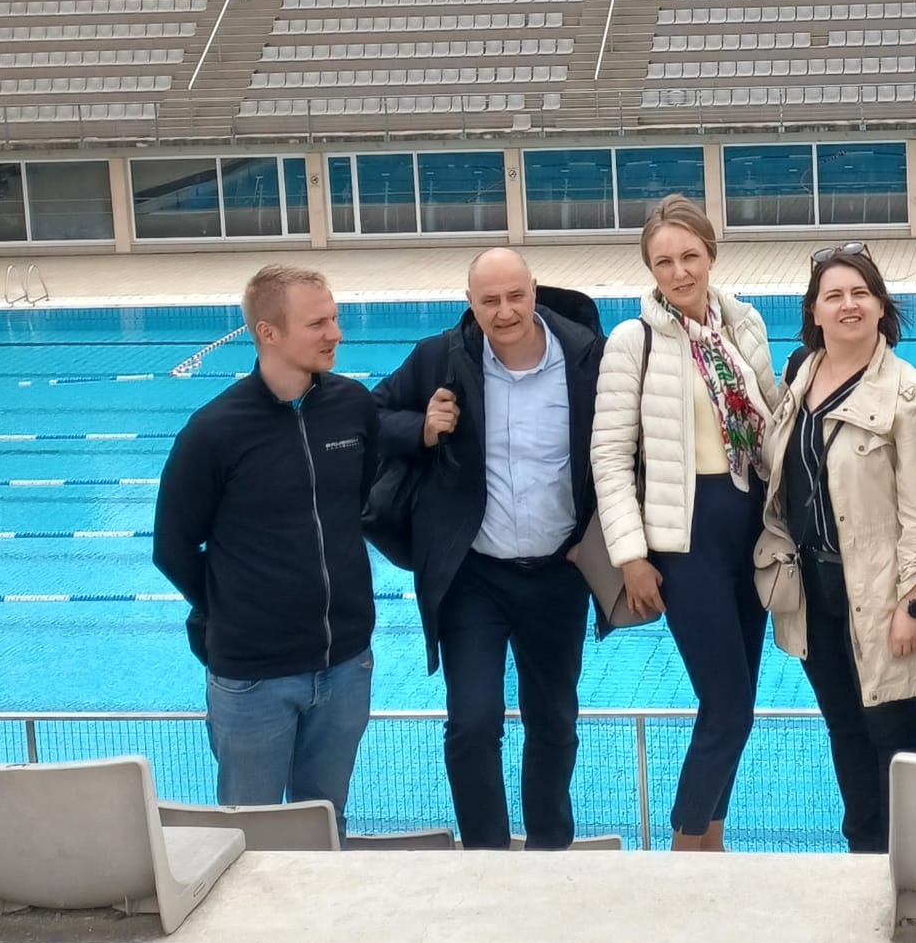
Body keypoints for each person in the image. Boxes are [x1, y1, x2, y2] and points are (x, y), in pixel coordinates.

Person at [372, 248, 605, 851]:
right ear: (470, 303)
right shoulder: (440, 358)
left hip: (558, 574)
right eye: (490, 300)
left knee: (554, 723)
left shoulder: (587, 358)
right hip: (474, 576)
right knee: (472, 723)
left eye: (515, 296)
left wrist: (608, 547)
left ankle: (549, 848)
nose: (504, 312)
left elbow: (625, 450)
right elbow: (373, 417)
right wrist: (420, 429)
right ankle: (486, 856)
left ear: (535, 290)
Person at [153, 264, 379, 834]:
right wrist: (234, 609)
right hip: (254, 678)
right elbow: (173, 547)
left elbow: (362, 505)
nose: (335, 333)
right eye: (318, 323)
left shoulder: (352, 407)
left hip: (345, 664)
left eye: (334, 318)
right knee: (249, 836)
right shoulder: (214, 433)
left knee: (325, 825)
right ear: (268, 333)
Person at [591, 195, 781, 849]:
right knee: (725, 704)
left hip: (750, 532)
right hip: (686, 540)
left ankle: (712, 840)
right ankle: (683, 845)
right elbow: (610, 457)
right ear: (650, 269)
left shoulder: (743, 324)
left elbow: (772, 417)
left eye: (689, 256)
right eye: (664, 262)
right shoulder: (633, 341)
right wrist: (631, 555)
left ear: (711, 255)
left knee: (740, 705)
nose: (679, 272)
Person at [754, 246, 916, 853]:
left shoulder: (910, 398)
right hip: (813, 592)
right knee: (844, 727)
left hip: (882, 592)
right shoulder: (800, 377)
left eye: (860, 293)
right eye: (833, 295)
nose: (848, 305)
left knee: (895, 734)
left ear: (881, 305)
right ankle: (864, 853)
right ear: (813, 311)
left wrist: (914, 605)